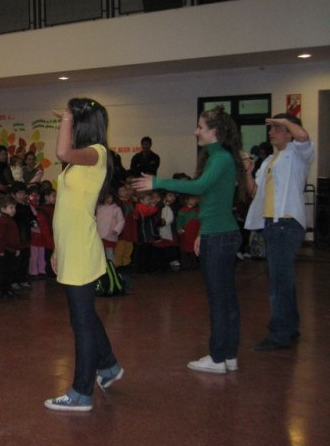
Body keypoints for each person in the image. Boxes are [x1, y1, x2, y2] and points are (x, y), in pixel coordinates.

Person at [132, 105, 245, 375]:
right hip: (218, 232)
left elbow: (199, 187)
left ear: (214, 131)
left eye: (200, 127)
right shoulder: (221, 157)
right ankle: (228, 354)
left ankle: (218, 357)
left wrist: (159, 182)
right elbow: (214, 200)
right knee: (226, 298)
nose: (196, 131)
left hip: (219, 235)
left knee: (219, 299)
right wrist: (203, 232)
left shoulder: (220, 158)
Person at [45, 98, 123, 412]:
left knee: (81, 322)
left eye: (74, 120)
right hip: (71, 246)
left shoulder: (97, 153)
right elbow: (67, 208)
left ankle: (81, 393)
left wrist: (65, 117)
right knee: (84, 316)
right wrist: (57, 248)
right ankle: (109, 366)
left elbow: (62, 151)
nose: (70, 124)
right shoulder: (82, 159)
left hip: (81, 247)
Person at [243, 114, 313, 351]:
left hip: (287, 223)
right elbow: (255, 193)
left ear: (289, 132)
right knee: (283, 279)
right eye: (271, 128)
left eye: (277, 128)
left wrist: (284, 121)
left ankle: (279, 334)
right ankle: (289, 328)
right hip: (272, 224)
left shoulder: (298, 153)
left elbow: (303, 135)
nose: (271, 132)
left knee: (279, 281)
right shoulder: (269, 161)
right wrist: (248, 172)